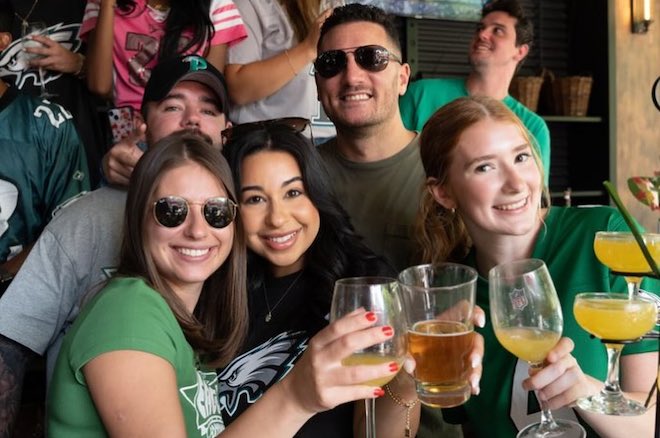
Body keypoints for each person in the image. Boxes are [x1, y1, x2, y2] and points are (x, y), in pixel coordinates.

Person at [48, 130, 406, 436]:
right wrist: (296, 394)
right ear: (139, 214)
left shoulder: (186, 316)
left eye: (215, 211)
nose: (197, 230)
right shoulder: (129, 311)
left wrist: (406, 381)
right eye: (171, 210)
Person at [0, 54, 230, 437]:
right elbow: (11, 341)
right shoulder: (84, 221)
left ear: (227, 130)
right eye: (173, 106)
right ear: (142, 123)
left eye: (208, 110)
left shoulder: (239, 219)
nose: (192, 120)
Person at [221, 119, 484, 437]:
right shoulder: (216, 289)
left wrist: (405, 381)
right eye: (255, 199)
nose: (277, 218)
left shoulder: (365, 286)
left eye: (293, 192)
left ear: (316, 196)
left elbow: (376, 433)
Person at [416, 95, 657, 437]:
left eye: (521, 157)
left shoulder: (609, 240)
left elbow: (650, 422)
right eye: (485, 167)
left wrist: (586, 393)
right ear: (443, 193)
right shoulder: (454, 301)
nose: (516, 184)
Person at [314, 4, 424, 273]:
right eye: (332, 63)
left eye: (372, 58)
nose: (351, 77)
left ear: (402, 79)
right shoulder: (299, 176)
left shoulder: (448, 168)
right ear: (317, 85)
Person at [399, 0, 551, 181]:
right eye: (480, 28)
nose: (483, 34)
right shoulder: (420, 94)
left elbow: (534, 201)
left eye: (498, 30)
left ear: (520, 51)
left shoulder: (533, 127)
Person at [0, 6, 90, 279]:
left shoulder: (49, 125)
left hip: (20, 298)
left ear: (3, 41)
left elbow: (71, 228)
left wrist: (5, 276)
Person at [0, 0, 110, 187]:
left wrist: (78, 64)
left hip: (77, 134)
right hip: (13, 145)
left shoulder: (82, 6)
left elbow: (117, 84)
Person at [79, 0, 246, 112]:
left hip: (183, 124)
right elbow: (99, 86)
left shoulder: (216, 4)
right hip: (128, 130)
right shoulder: (103, 4)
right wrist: (108, 4)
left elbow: (209, 93)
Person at [225, 0, 335, 140]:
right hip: (272, 141)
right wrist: (308, 49)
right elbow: (238, 88)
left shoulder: (332, 3)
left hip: (336, 136)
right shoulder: (251, 5)